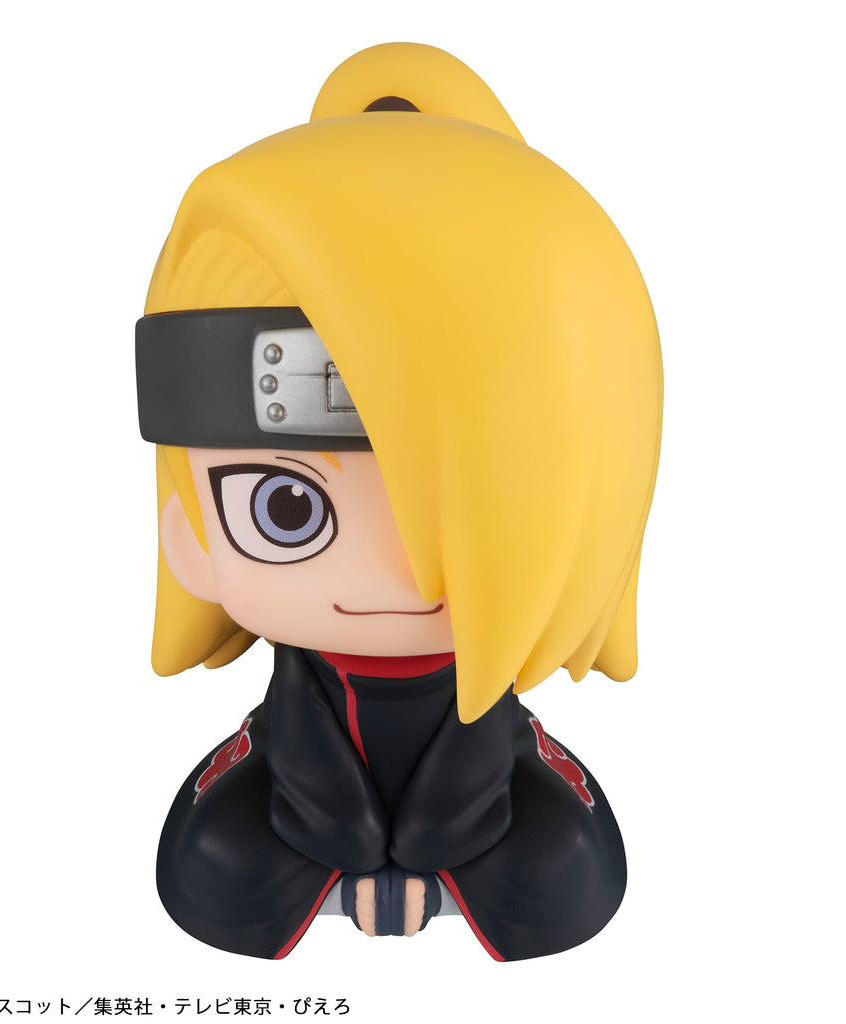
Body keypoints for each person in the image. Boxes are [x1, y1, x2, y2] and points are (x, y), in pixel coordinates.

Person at [135, 42, 663, 961]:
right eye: (285, 509)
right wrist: (348, 844)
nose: (397, 568)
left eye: (473, 511)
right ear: (191, 535)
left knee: (566, 868)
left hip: (485, 800)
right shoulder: (300, 679)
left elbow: (484, 751)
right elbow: (295, 753)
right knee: (213, 860)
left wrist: (424, 847)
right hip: (299, 808)